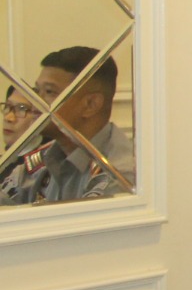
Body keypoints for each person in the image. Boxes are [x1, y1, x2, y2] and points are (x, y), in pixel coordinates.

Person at [1, 47, 135, 204]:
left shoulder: (121, 175)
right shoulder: (41, 161)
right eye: (37, 91)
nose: (35, 104)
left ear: (90, 105)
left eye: (49, 92)